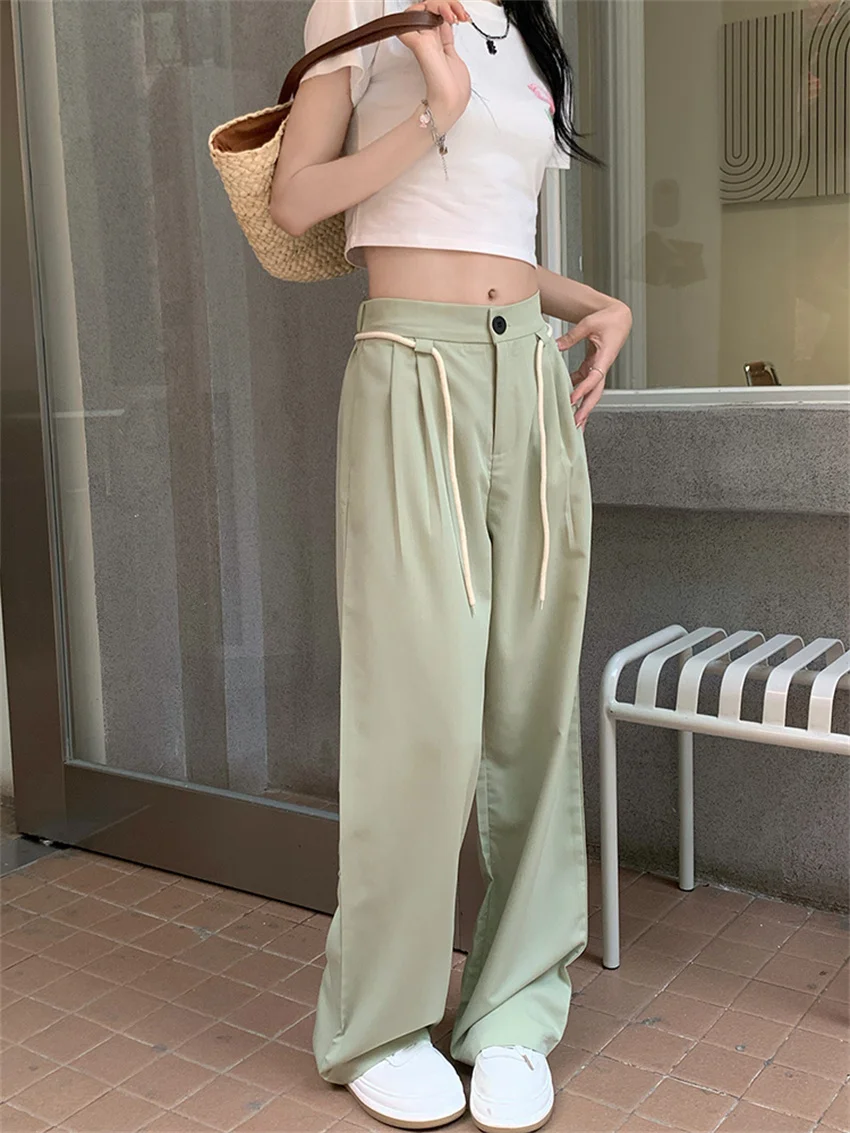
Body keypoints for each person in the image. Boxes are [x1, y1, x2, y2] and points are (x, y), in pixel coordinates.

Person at [271, 1, 631, 1129]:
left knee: (532, 699)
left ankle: (515, 1004)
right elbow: (296, 201)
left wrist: (595, 303)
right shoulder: (358, 8)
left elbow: (494, 239)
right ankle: (381, 1021)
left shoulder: (528, 24)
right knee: (418, 708)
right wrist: (434, 111)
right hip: (409, 367)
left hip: (527, 377)